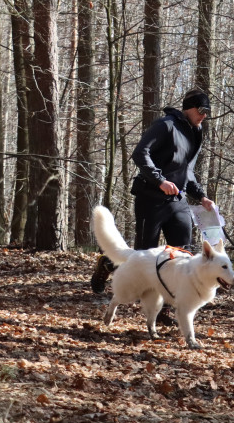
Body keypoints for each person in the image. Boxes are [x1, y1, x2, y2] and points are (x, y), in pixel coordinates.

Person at [90, 90, 216, 294]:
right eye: (201, 110)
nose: (204, 115)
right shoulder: (166, 125)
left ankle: (169, 303)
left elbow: (187, 170)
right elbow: (140, 153)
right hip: (151, 199)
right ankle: (108, 264)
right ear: (189, 108)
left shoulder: (196, 132)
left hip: (178, 201)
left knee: (182, 253)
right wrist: (160, 181)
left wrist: (201, 197)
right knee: (144, 256)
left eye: (207, 111)